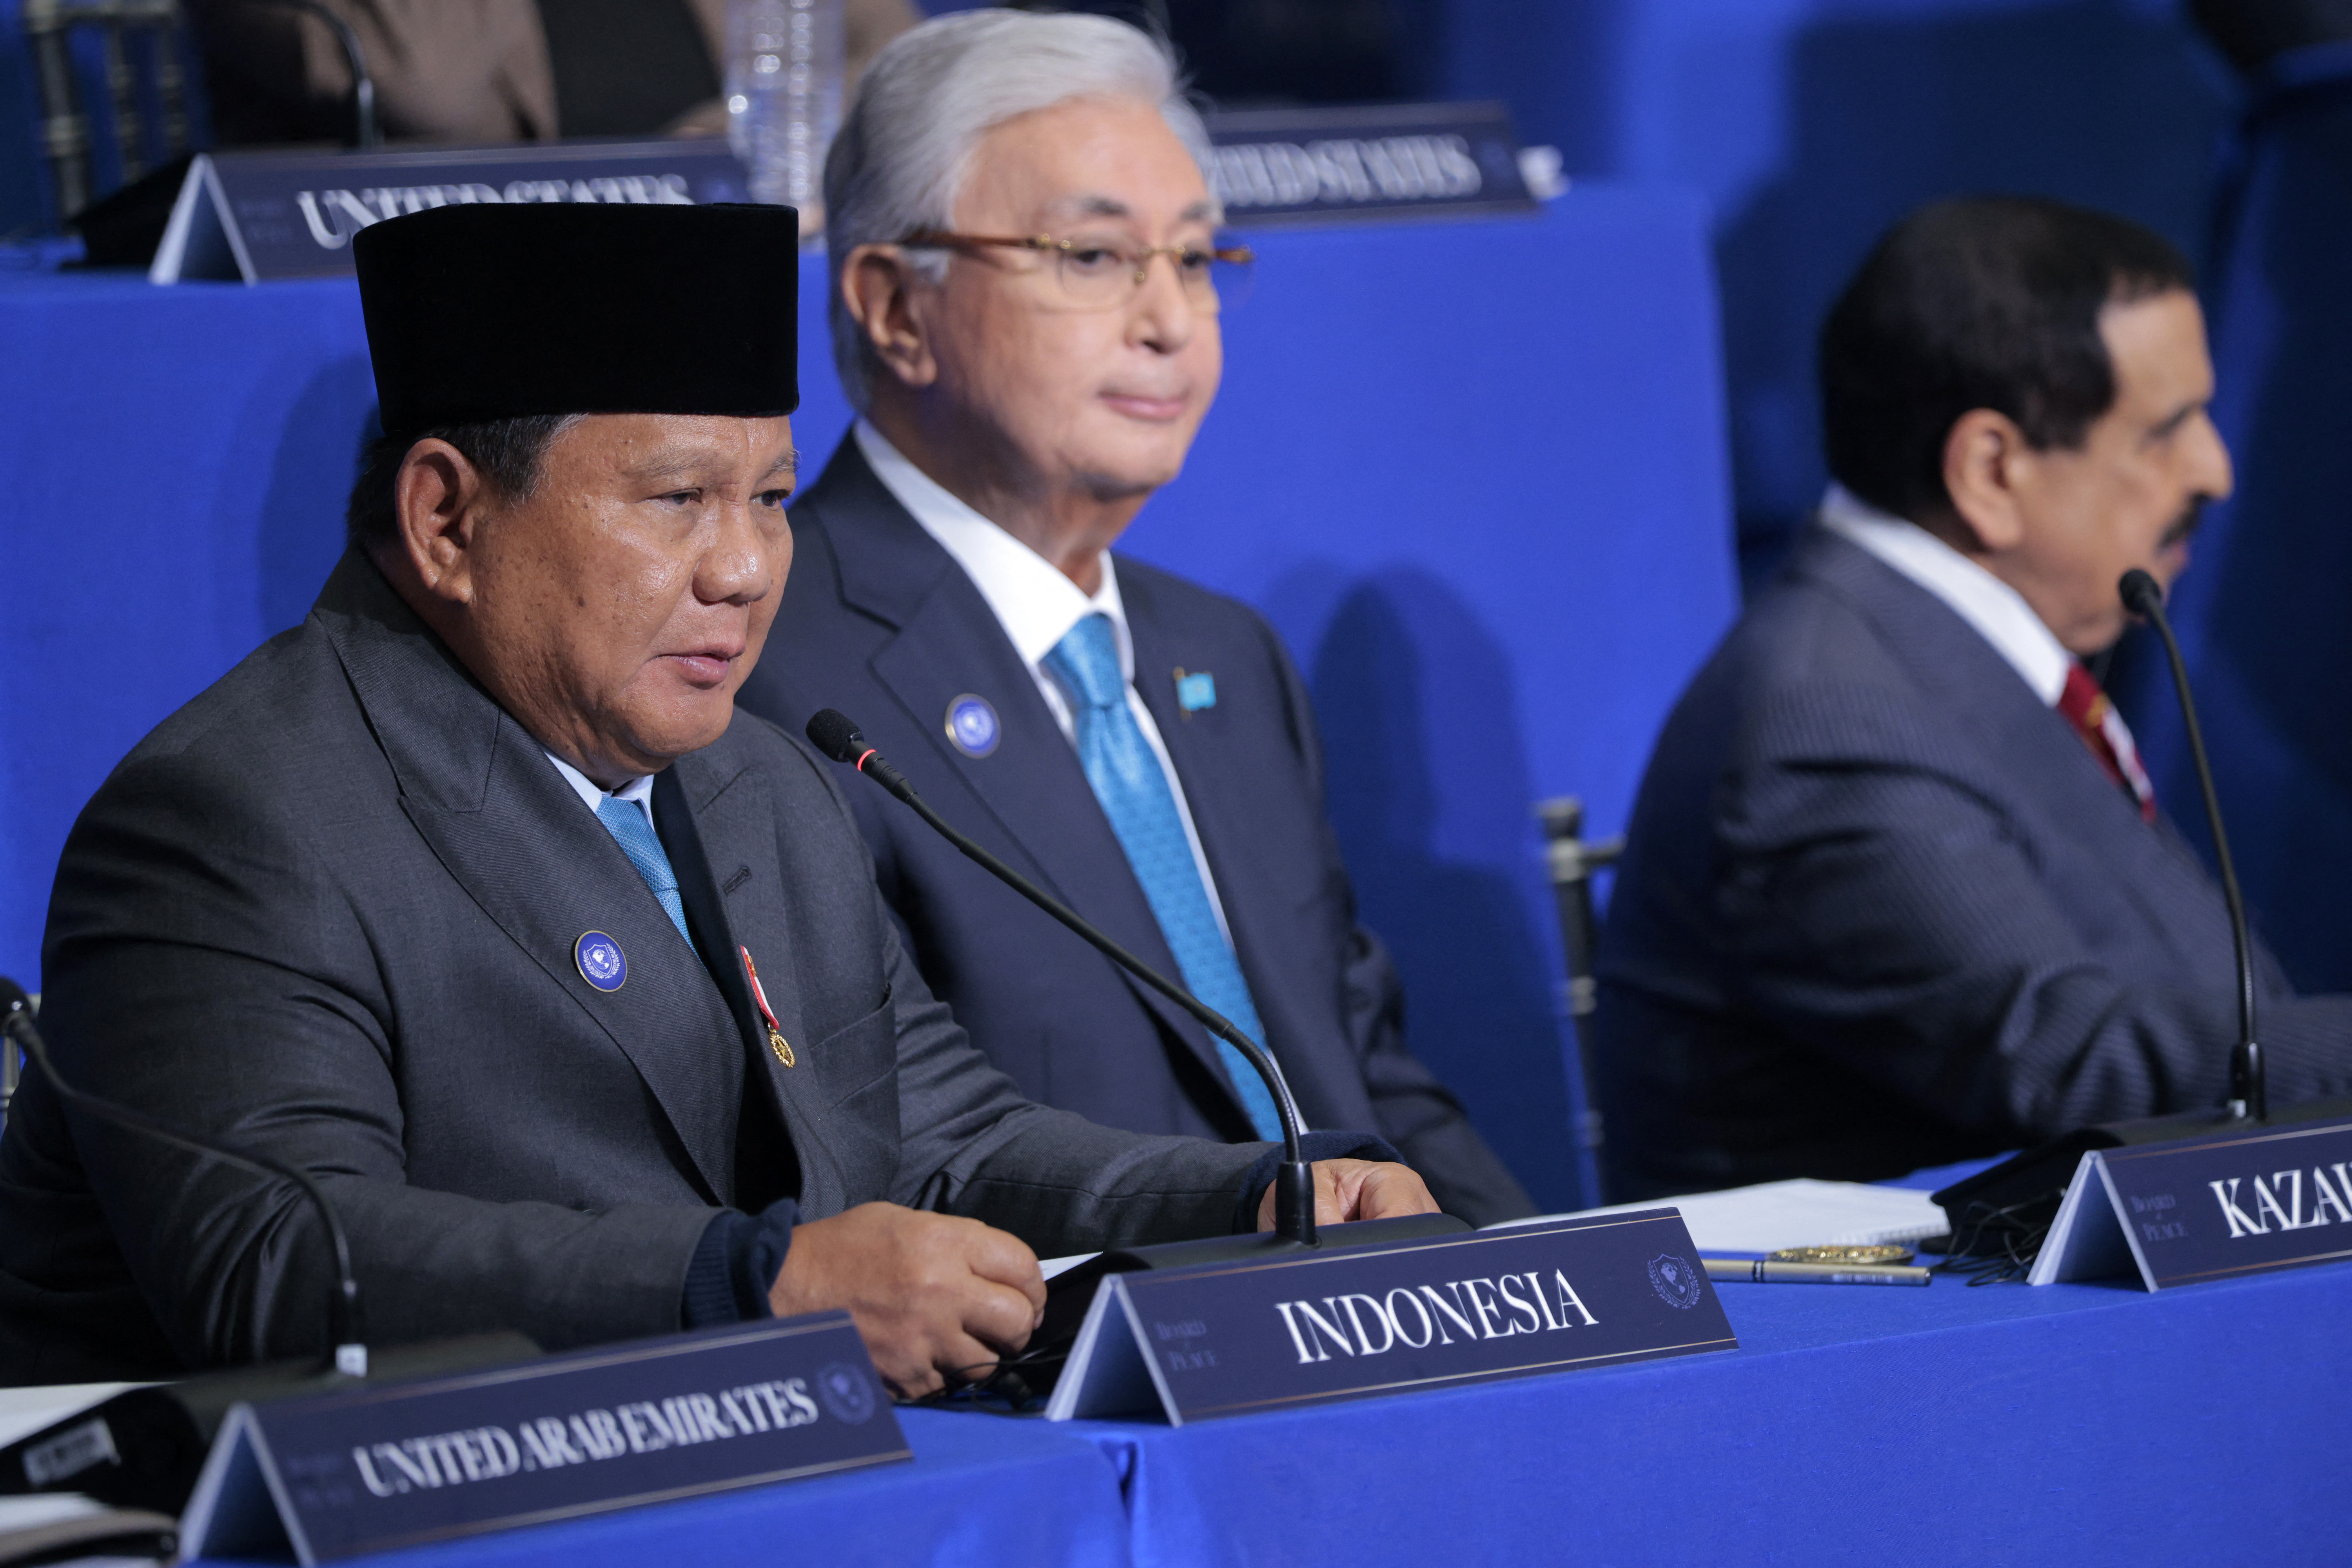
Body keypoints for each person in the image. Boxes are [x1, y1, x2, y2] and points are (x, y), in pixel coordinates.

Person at [0, 198, 1434, 1389]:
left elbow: (945, 1145)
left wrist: (1258, 1194)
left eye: (772, 499)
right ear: (446, 518)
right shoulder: (232, 818)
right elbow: (280, 1269)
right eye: (679, 499)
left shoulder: (762, 780)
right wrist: (755, 1285)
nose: (746, 570)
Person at [733, 10, 1534, 1226]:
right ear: (895, 308)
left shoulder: (1223, 656)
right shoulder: (769, 673)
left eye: (1197, 259)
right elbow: (894, 1150)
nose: (1170, 321)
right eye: (1095, 257)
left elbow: (1365, 1079)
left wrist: (1535, 1279)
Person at [1593, 196, 2352, 1199]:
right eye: (2165, 431)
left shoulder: (1968, 659)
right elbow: (2066, 1055)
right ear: (1991, 470)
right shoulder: (1827, 718)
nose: (2217, 469)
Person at [188, 0, 916, 146]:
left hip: (698, 273)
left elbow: (899, 55)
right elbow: (423, 83)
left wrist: (745, 129)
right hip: (452, 308)